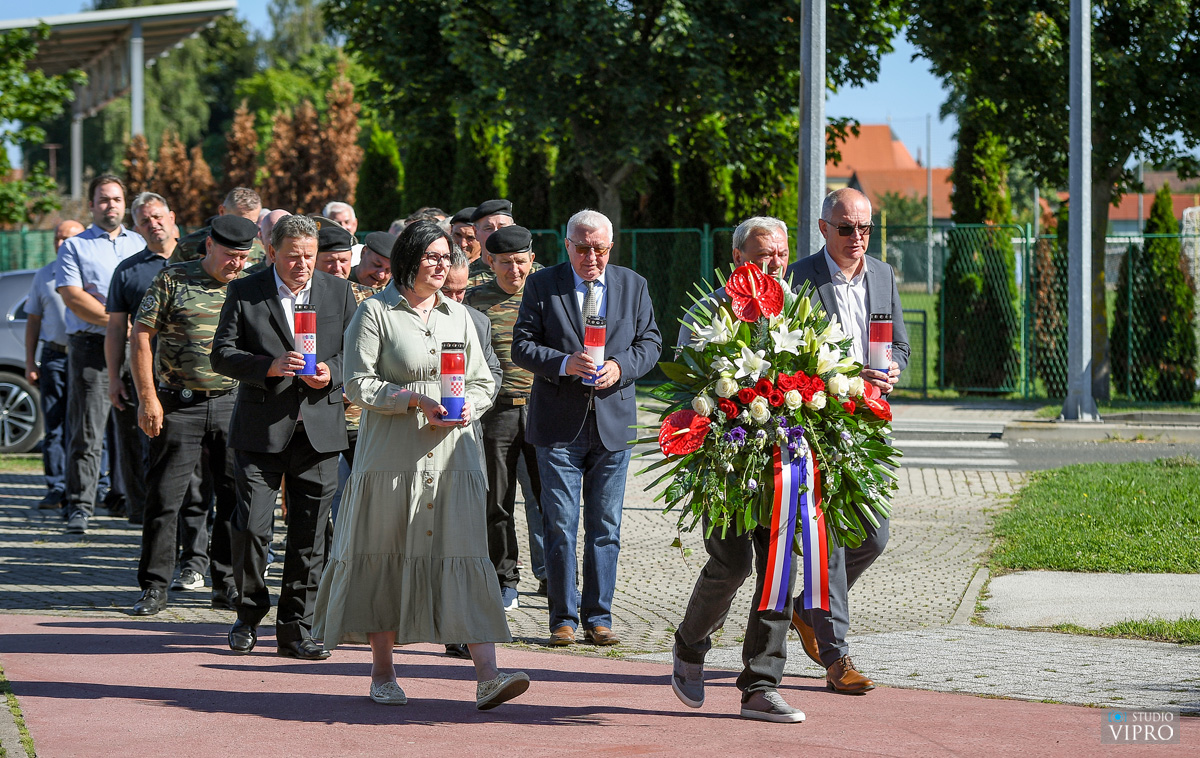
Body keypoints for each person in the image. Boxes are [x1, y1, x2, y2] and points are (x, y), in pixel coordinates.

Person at [313, 220, 530, 710]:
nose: (442, 265)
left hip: (455, 458)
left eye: (446, 256)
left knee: (466, 556)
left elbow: (482, 379)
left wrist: (473, 404)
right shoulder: (374, 313)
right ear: (409, 259)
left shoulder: (460, 315)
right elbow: (356, 384)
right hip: (391, 459)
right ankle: (383, 674)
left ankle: (488, 677)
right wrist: (411, 398)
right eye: (432, 256)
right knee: (384, 559)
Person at [670, 216, 805, 723]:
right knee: (731, 564)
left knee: (777, 570)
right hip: (726, 459)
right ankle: (689, 644)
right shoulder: (709, 310)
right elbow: (689, 386)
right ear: (737, 259)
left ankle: (761, 684)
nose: (772, 263)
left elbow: (820, 372)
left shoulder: (799, 310)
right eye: (760, 255)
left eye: (780, 254)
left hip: (783, 462)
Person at [511, 209, 662, 647]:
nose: (591, 257)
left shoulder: (632, 285)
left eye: (599, 248)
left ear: (610, 248)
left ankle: (600, 617)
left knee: (606, 526)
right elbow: (522, 344)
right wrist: (562, 363)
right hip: (559, 425)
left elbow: (650, 342)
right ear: (567, 246)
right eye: (582, 248)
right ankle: (562, 617)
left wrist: (620, 367)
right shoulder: (543, 284)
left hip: (613, 422)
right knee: (559, 523)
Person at [211, 214, 358, 660]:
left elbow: (357, 350)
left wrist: (332, 373)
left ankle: (297, 628)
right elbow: (221, 353)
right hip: (261, 429)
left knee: (310, 535)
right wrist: (266, 367)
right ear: (271, 252)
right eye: (293, 257)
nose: (302, 266)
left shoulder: (338, 291)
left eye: (309, 257)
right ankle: (248, 614)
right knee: (253, 529)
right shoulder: (246, 290)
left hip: (320, 431)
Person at [783, 187, 909, 695]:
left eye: (865, 229)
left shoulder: (883, 274)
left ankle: (808, 611)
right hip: (818, 421)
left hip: (867, 424)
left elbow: (897, 341)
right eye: (846, 228)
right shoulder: (799, 279)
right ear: (822, 229)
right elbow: (787, 353)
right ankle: (837, 658)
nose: (857, 238)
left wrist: (895, 366)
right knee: (827, 542)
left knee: (872, 536)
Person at [128, 215, 256, 616]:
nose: (236, 264)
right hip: (178, 404)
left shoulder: (251, 285)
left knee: (234, 497)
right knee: (165, 498)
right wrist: (148, 398)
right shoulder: (173, 279)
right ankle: (154, 587)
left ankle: (226, 584)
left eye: (243, 256)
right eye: (230, 256)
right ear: (209, 248)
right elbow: (142, 335)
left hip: (232, 403)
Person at [56, 175, 146, 535]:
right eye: (103, 200)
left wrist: (130, 330)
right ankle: (80, 504)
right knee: (88, 429)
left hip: (135, 347)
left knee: (135, 428)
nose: (111, 205)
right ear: (91, 205)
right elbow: (73, 296)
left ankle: (135, 503)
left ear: (125, 204)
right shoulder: (75, 247)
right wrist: (117, 323)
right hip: (92, 347)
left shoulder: (139, 243)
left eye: (117, 199)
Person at [465, 225, 547, 611]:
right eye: (504, 263)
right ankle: (504, 579)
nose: (513, 270)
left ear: (531, 258)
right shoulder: (474, 301)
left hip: (544, 409)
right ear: (489, 261)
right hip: (495, 412)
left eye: (519, 261)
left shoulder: (547, 293)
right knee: (496, 502)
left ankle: (558, 580)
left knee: (551, 502)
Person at [104, 192, 177, 527]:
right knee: (141, 448)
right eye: (145, 221)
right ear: (136, 227)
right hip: (145, 374)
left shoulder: (200, 261)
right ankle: (143, 516)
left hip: (194, 377)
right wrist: (114, 378)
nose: (154, 224)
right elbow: (117, 329)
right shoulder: (127, 271)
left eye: (158, 216)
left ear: (171, 216)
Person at [25, 220, 84, 511]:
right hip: (54, 358)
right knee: (56, 426)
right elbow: (33, 321)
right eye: (57, 238)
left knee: (88, 424)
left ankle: (93, 486)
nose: (61, 244)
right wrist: (29, 362)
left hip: (88, 355)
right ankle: (57, 487)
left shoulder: (90, 270)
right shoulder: (44, 275)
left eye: (68, 238)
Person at [468, 199, 514, 287]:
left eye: (502, 227)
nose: (496, 234)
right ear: (475, 232)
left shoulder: (532, 273)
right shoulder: (465, 276)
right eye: (488, 228)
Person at [450, 207, 485, 280]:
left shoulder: (494, 271)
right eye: (457, 235)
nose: (463, 244)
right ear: (451, 230)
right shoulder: (441, 269)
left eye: (470, 238)